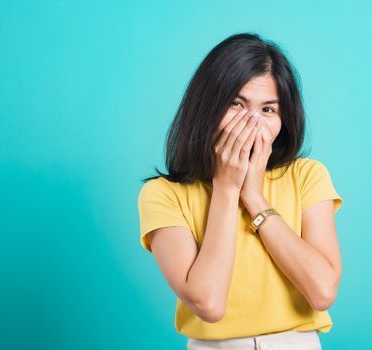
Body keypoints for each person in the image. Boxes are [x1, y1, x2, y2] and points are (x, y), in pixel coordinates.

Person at [137, 32, 344, 350]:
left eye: (268, 110)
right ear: (208, 108)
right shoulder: (163, 195)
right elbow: (209, 304)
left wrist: (254, 197)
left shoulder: (307, 177)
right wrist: (227, 188)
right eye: (236, 104)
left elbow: (322, 292)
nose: (251, 122)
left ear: (283, 120)